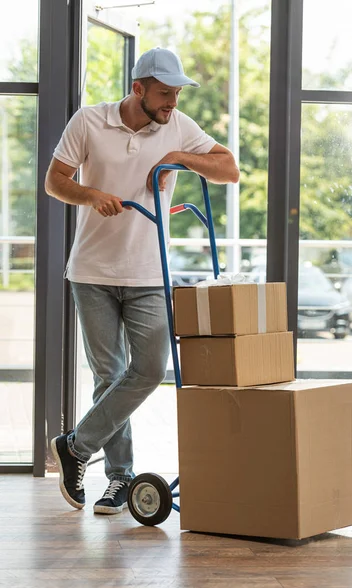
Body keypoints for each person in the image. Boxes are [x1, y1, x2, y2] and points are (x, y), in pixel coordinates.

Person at [46, 47, 240, 514]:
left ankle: (75, 446)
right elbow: (55, 181)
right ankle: (120, 478)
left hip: (149, 271)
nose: (172, 102)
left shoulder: (178, 126)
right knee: (109, 375)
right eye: (164, 93)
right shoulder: (89, 121)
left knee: (150, 369)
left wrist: (180, 156)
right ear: (138, 89)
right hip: (91, 271)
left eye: (176, 94)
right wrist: (91, 195)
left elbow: (229, 169)